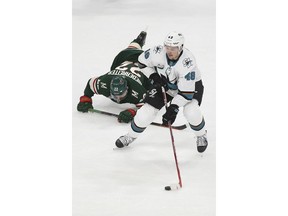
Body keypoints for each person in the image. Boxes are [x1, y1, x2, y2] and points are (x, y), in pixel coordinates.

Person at [115, 31, 208, 153]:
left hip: (189, 88)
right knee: (145, 113)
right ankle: (130, 136)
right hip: (166, 85)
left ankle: (201, 135)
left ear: (180, 47)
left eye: (173, 48)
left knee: (191, 111)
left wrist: (173, 108)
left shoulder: (187, 62)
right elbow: (141, 63)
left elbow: (186, 94)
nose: (169, 51)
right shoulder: (157, 52)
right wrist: (153, 76)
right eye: (167, 47)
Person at [77, 31, 151, 123]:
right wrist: (86, 98)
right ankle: (138, 42)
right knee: (129, 51)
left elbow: (149, 106)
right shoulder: (104, 82)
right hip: (125, 59)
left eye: (121, 95)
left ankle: (142, 44)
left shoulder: (138, 91)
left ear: (127, 89)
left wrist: (133, 111)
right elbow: (91, 83)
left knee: (157, 78)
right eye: (114, 95)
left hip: (146, 65)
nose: (117, 99)